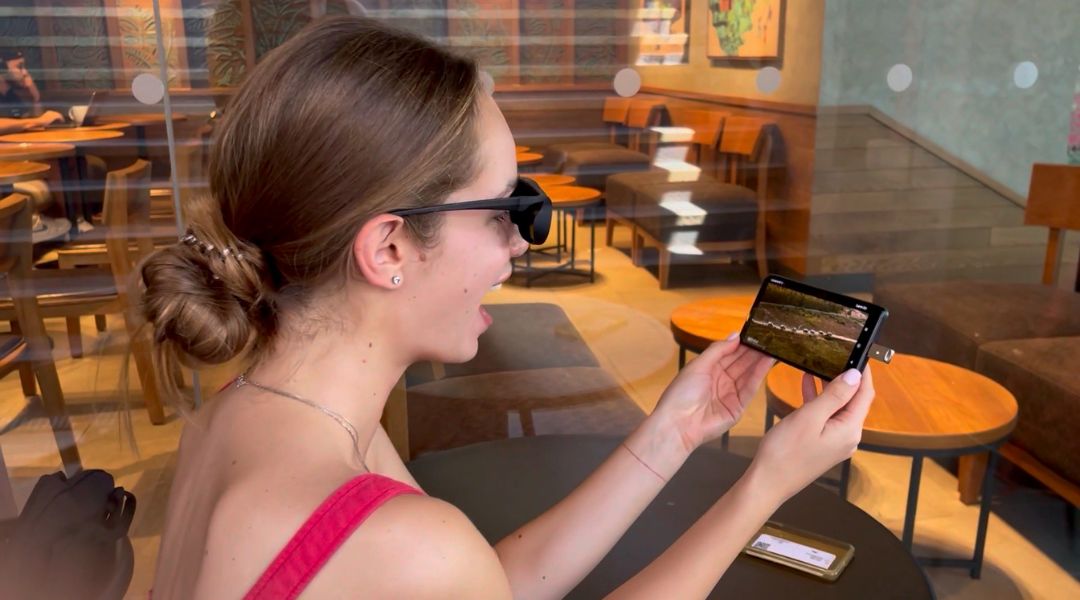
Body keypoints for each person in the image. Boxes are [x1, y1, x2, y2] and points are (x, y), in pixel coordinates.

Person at [141, 16, 875, 599]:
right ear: (389, 249)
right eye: (506, 209)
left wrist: (675, 433)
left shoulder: (242, 416)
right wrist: (767, 484)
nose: (520, 246)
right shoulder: (400, 537)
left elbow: (490, 584)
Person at [0, 50, 63, 134]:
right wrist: (39, 121)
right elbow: (33, 122)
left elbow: (32, 124)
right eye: (19, 67)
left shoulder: (11, 96)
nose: (25, 72)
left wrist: (34, 98)